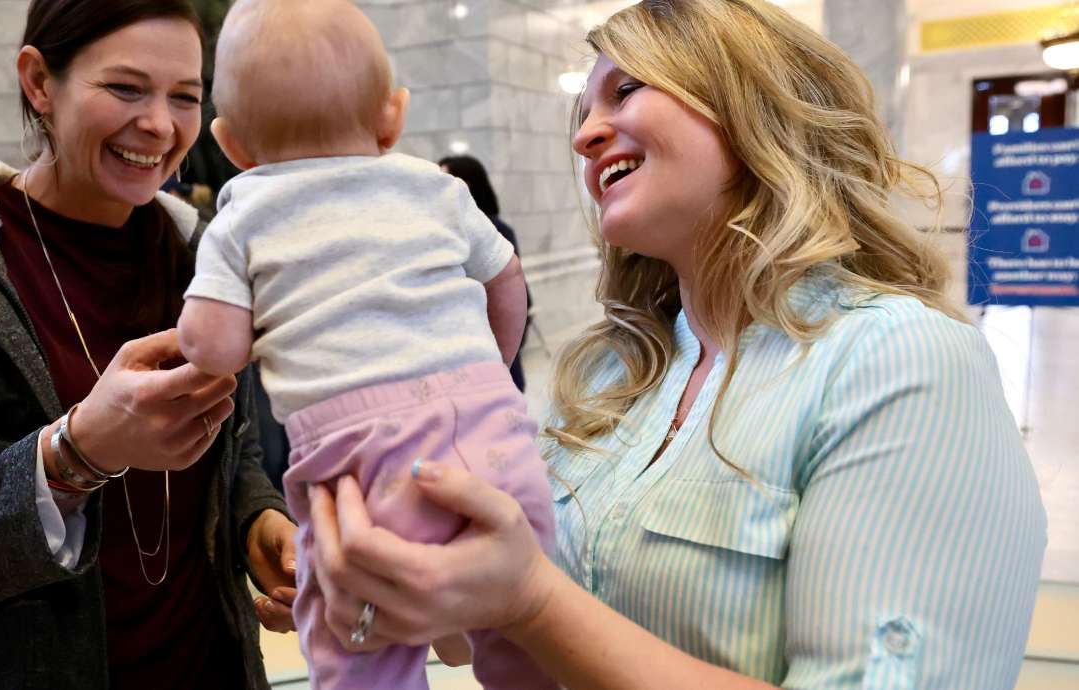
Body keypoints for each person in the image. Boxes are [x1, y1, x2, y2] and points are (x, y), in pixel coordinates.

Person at [306, 1, 1050, 689]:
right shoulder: (612, 372)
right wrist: (401, 580)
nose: (585, 133)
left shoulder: (902, 361)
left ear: (750, 105)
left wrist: (531, 601)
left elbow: (535, 603)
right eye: (583, 110)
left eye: (625, 91)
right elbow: (483, 634)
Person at [0, 1, 300, 688]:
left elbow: (229, 452)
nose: (159, 124)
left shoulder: (204, 252)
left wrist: (259, 524)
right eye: (125, 88)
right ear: (38, 80)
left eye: (185, 96)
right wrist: (75, 453)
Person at [175, 1, 556, 688]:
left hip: (362, 473)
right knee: (522, 625)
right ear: (393, 115)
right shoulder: (435, 188)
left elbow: (215, 347)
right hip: (496, 443)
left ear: (230, 143)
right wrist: (491, 368)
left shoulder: (243, 211)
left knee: (359, 643)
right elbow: (508, 281)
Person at [439, 154, 533, 392]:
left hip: (490, 349)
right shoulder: (440, 233)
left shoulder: (496, 230)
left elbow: (518, 290)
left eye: (448, 178)